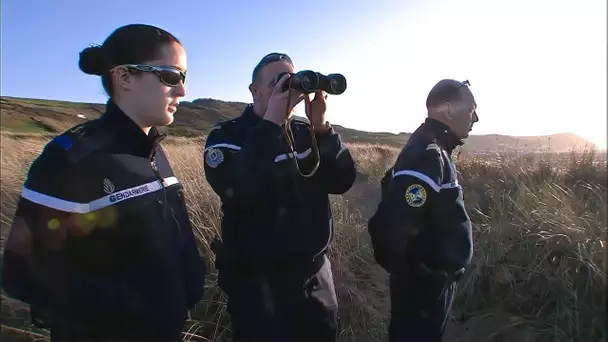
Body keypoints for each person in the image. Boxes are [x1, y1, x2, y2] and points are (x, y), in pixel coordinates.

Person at [1, 24, 207, 341]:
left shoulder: (153, 151)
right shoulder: (72, 159)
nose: (182, 90)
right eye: (171, 76)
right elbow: (21, 272)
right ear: (124, 77)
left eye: (185, 77)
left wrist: (186, 287)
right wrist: (133, 310)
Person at [203, 52, 357, 341]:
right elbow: (238, 191)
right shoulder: (226, 137)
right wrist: (271, 125)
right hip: (259, 285)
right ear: (254, 90)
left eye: (293, 81)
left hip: (316, 278)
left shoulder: (304, 132)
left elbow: (342, 181)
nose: (290, 90)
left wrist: (322, 129)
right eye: (279, 82)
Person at [367, 79, 479, 342]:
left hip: (429, 288)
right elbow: (391, 226)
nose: (476, 118)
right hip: (423, 294)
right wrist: (420, 277)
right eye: (472, 109)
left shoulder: (436, 148)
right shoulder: (427, 154)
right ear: (449, 109)